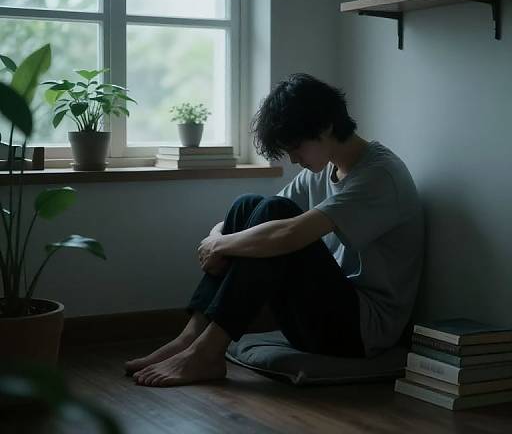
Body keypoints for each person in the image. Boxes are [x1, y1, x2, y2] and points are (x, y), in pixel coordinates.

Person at [125, 73, 424, 387]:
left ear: (325, 127)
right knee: (248, 204)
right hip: (319, 319)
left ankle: (207, 352)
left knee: (275, 216)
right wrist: (216, 239)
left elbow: (286, 234)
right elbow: (254, 219)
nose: (294, 159)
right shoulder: (323, 171)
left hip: (361, 332)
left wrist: (222, 245)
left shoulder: (380, 176)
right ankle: (189, 338)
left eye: (296, 147)